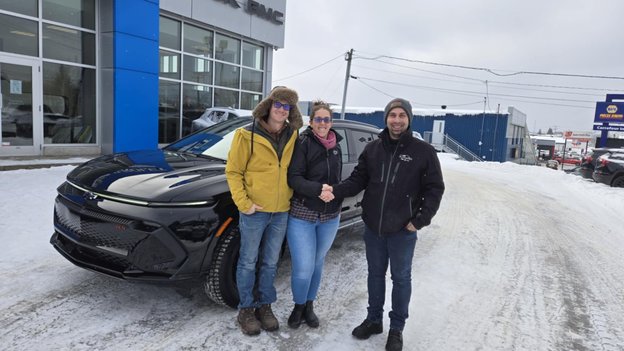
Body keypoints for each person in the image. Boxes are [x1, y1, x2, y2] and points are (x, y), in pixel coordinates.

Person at [324, 98, 445, 351]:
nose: (397, 120)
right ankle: (374, 320)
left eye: (402, 115)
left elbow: (435, 189)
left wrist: (419, 220)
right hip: (374, 228)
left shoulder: (423, 152)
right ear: (386, 118)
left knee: (401, 279)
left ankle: (397, 328)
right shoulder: (373, 149)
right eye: (393, 115)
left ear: (409, 119)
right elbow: (358, 180)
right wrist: (333, 191)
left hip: (403, 230)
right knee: (375, 275)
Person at [225, 86, 303, 336]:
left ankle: (264, 306)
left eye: (286, 106)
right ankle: (246, 309)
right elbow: (233, 171)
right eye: (278, 104)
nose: (281, 109)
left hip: (281, 211)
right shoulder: (246, 135)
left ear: (291, 111)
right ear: (269, 105)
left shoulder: (293, 135)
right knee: (247, 261)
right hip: (254, 211)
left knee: (270, 262)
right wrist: (244, 204)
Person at [285, 101, 343, 329]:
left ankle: (309, 306)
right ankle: (298, 306)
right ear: (311, 122)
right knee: (303, 267)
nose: (322, 123)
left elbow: (337, 179)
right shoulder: (303, 143)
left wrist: (334, 192)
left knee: (318, 263)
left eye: (326, 119)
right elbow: (294, 177)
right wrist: (318, 190)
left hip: (330, 217)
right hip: (303, 215)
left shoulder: (336, 144)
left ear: (331, 122)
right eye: (318, 119)